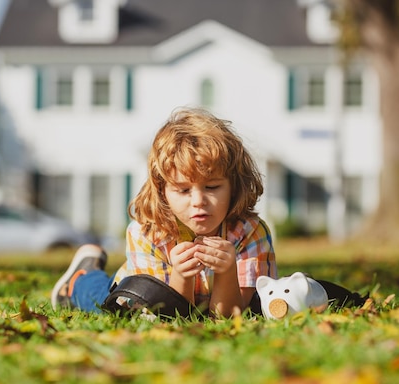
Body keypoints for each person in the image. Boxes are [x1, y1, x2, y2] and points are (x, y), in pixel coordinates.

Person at [51, 107, 277, 318]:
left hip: (214, 298)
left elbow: (230, 316)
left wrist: (227, 272)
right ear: (162, 191)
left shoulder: (249, 233)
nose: (198, 201)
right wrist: (182, 275)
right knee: (100, 300)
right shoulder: (147, 233)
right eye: (183, 190)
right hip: (140, 296)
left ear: (234, 186)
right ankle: (79, 279)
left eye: (212, 187)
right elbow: (167, 316)